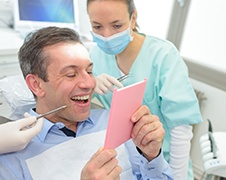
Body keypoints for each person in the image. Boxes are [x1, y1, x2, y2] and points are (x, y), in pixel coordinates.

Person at [0, 26, 173, 179]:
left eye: (89, 71)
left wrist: (152, 157)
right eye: (71, 74)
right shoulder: (12, 156)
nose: (90, 84)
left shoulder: (112, 121)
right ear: (36, 85)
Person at [86, 0, 203, 179]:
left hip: (165, 161)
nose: (107, 35)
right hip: (124, 163)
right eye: (97, 26)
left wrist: (177, 176)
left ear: (133, 18)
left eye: (116, 26)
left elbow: (181, 128)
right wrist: (91, 85)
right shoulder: (95, 56)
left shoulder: (163, 55)